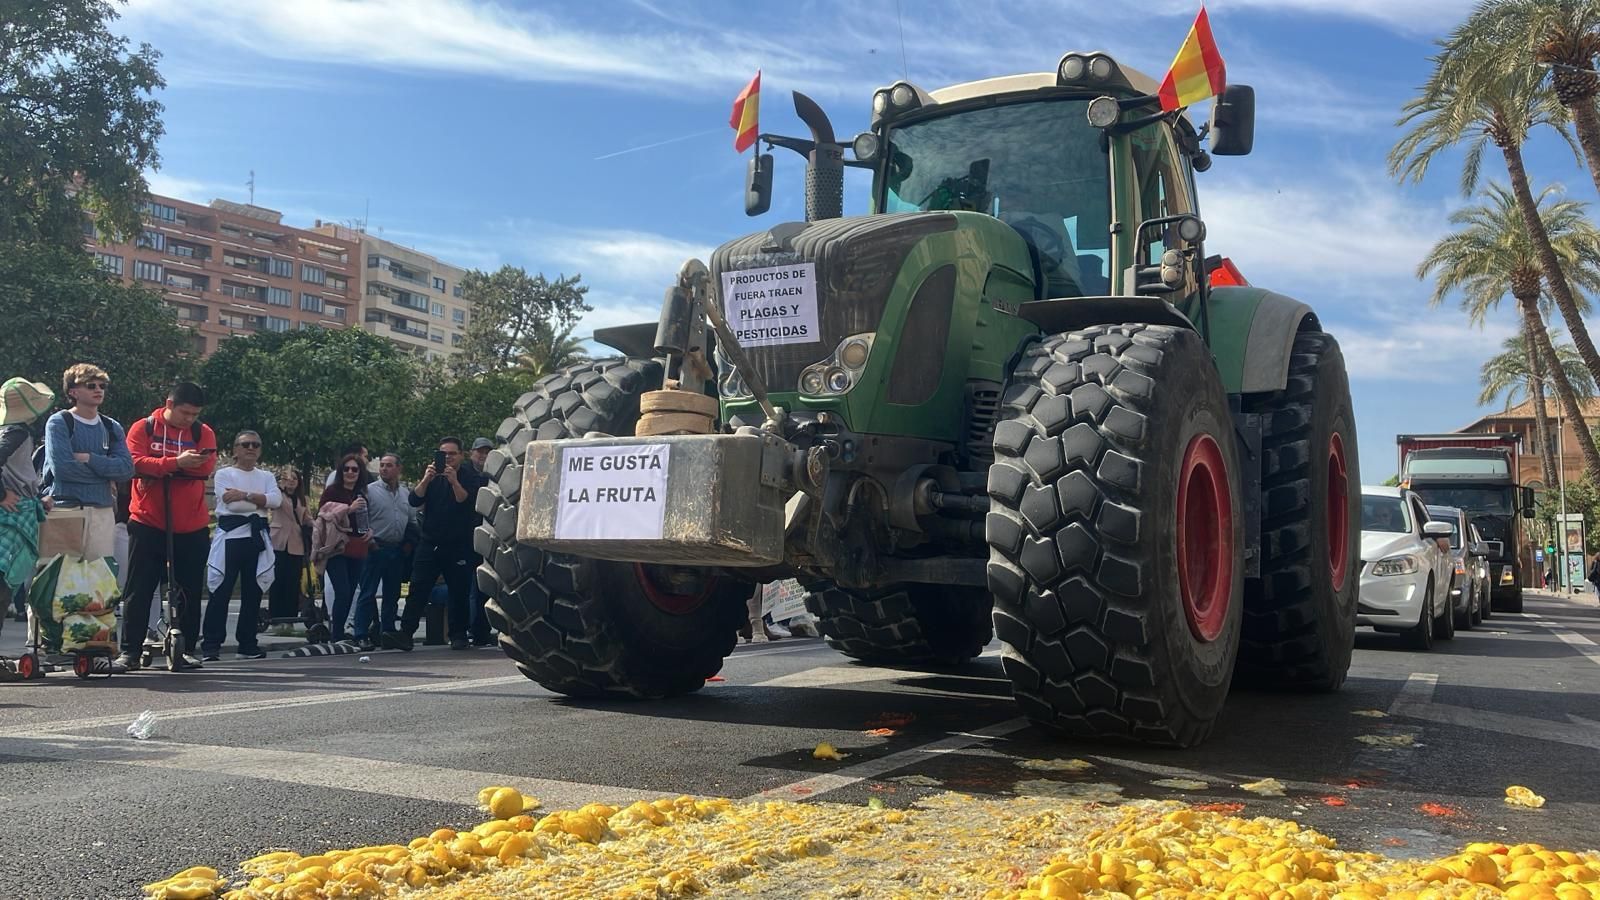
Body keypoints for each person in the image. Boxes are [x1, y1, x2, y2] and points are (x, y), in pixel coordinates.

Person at [117, 382, 217, 672]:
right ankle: (130, 651)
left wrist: (161, 467)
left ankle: (185, 650)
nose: (190, 419)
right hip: (148, 521)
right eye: (185, 413)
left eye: (195, 414)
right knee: (139, 589)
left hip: (192, 524)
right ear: (169, 404)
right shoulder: (143, 428)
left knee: (188, 590)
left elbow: (205, 467)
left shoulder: (203, 432)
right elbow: (133, 462)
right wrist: (176, 462)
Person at [387, 437, 482, 651]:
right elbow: (414, 500)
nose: (447, 458)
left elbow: (465, 501)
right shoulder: (432, 476)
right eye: (443, 454)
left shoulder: (468, 476)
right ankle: (406, 633)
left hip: (458, 543)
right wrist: (426, 479)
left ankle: (458, 634)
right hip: (430, 541)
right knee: (418, 586)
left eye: (452, 454)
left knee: (459, 591)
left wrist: (454, 480)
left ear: (461, 455)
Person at [41, 363, 134, 562]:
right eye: (91, 385)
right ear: (73, 391)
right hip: (65, 508)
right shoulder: (59, 422)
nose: (98, 390)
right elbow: (63, 469)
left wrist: (89, 458)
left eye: (102, 386)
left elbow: (126, 469)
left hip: (103, 511)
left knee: (99, 582)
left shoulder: (111, 426)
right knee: (59, 580)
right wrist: (105, 474)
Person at [200, 431, 280, 661]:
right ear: (235, 449)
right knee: (220, 592)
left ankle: (247, 644)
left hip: (256, 539)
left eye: (256, 445)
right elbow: (231, 505)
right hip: (231, 539)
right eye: (246, 444)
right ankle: (211, 645)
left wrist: (244, 495)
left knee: (253, 593)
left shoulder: (266, 476)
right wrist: (259, 501)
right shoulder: (225, 474)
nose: (251, 448)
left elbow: (275, 501)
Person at [0, 379, 54, 636]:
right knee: (3, 582)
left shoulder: (7, 430)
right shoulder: (17, 432)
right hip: (11, 514)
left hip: (18, 508)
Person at [352, 453, 416, 651]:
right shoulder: (369, 491)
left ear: (399, 469)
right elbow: (361, 519)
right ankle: (361, 634)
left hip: (396, 549)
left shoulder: (406, 493)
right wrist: (370, 542)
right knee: (368, 592)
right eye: (382, 466)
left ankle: (387, 631)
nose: (384, 469)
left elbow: (412, 521)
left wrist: (409, 544)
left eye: (389, 465)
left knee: (392, 594)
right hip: (375, 547)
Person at [314, 452, 369, 643]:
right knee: (343, 591)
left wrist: (369, 531)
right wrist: (349, 508)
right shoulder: (332, 491)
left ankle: (343, 630)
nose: (350, 472)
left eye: (355, 469)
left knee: (352, 590)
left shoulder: (362, 493)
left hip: (357, 546)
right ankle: (336, 634)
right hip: (336, 547)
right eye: (346, 469)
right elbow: (323, 515)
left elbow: (364, 520)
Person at [268, 466, 312, 623]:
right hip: (279, 540)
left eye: (294, 478)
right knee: (278, 579)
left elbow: (306, 518)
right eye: (288, 479)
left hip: (296, 542)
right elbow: (273, 503)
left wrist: (317, 524)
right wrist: (280, 486)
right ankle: (275, 616)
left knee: (293, 581)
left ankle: (290, 617)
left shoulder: (302, 499)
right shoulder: (278, 495)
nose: (291, 482)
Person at [466, 437, 494, 647]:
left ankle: (482, 630)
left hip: (489, 536)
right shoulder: (466, 474)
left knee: (485, 587)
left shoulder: (495, 476)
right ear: (471, 453)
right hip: (469, 537)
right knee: (473, 589)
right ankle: (476, 631)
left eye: (487, 452)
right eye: (479, 452)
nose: (483, 456)